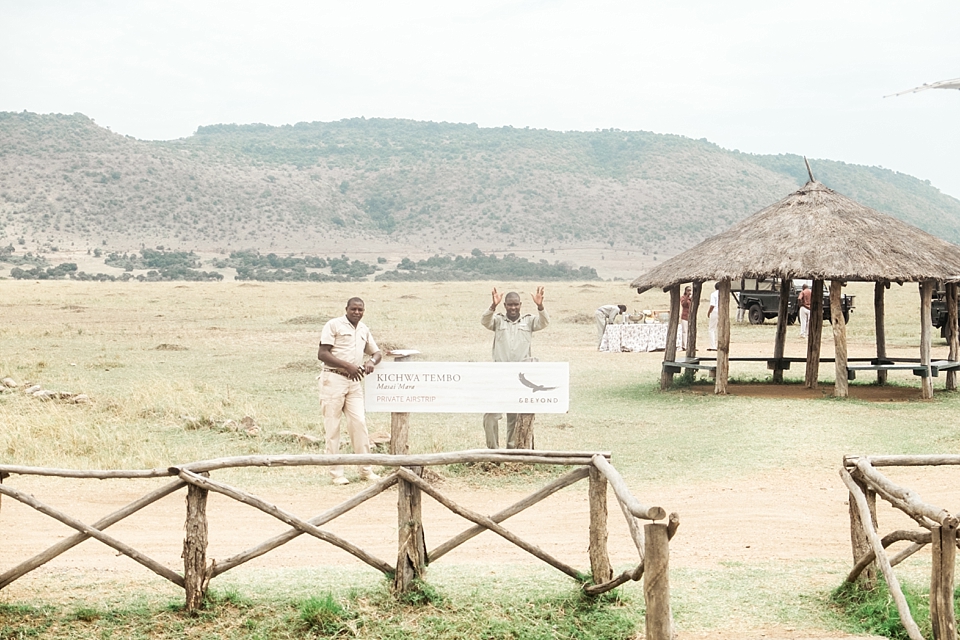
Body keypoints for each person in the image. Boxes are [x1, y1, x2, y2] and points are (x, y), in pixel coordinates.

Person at [317, 297, 382, 485]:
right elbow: (322, 354)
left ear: (364, 311)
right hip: (333, 378)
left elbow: (376, 352)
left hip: (354, 382)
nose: (357, 312)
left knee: (359, 424)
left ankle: (366, 470)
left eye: (360, 309)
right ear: (346, 309)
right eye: (353, 309)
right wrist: (348, 366)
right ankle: (336, 474)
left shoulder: (364, 329)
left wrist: (371, 362)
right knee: (332, 427)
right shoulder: (334, 325)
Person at [481, 286, 549, 448]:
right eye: (510, 305)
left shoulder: (529, 320)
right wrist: (493, 306)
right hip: (499, 375)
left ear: (520, 305)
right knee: (491, 414)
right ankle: (493, 452)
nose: (513, 308)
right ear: (505, 306)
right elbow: (485, 321)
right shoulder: (498, 321)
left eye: (516, 304)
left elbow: (544, 323)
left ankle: (512, 451)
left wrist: (540, 306)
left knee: (515, 416)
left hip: (521, 377)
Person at [706, 282, 720, 351]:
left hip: (715, 311)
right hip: (722, 312)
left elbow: (712, 305)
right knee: (720, 328)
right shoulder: (723, 294)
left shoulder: (713, 294)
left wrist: (709, 312)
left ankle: (713, 346)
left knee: (711, 329)